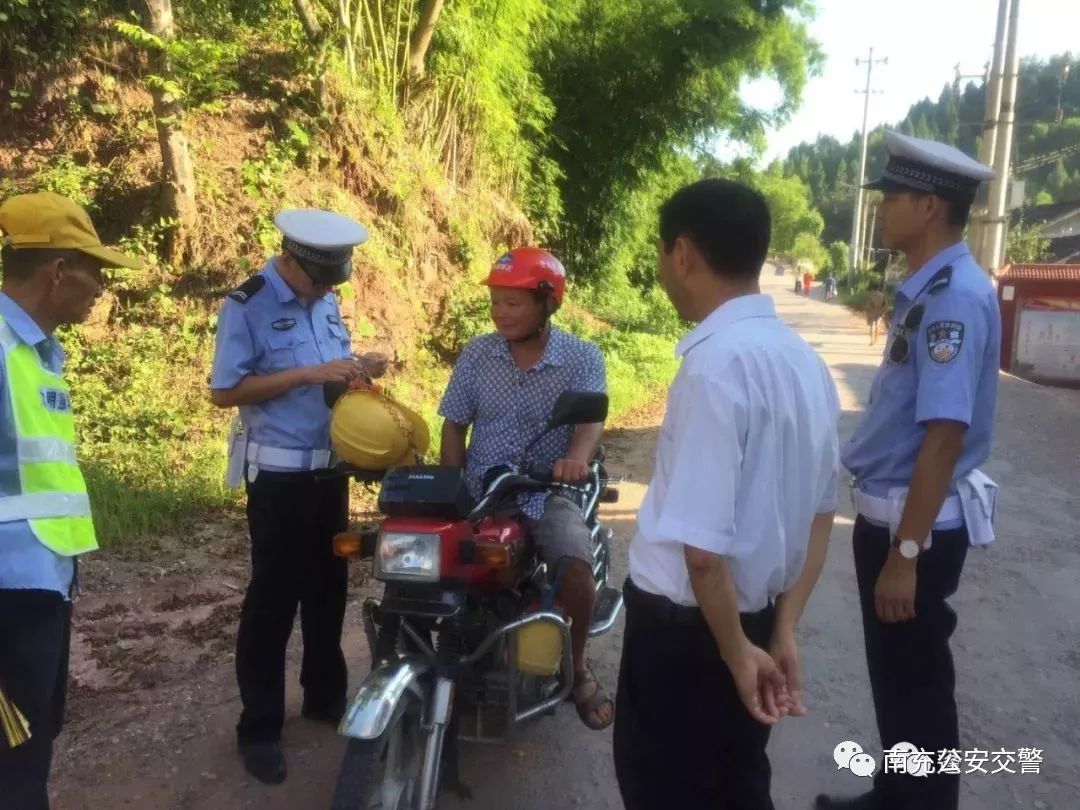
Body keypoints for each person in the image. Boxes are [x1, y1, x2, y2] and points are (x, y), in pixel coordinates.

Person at [612, 178, 841, 810]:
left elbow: (703, 553)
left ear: (682, 253)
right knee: (738, 783)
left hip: (690, 641)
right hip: (757, 623)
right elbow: (821, 516)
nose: (662, 268)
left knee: (670, 788)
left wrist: (738, 653)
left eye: (662, 254)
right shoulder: (805, 362)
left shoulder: (714, 368)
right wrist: (781, 630)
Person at [815, 131, 1001, 810]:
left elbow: (943, 439)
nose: (881, 209)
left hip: (910, 524)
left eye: (892, 197)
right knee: (898, 680)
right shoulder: (933, 286)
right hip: (897, 517)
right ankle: (897, 794)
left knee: (916, 684)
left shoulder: (950, 299)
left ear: (929, 209)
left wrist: (907, 553)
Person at [209, 209, 387, 785]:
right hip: (280, 477)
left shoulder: (326, 301)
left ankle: (324, 698)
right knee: (273, 601)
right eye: (319, 280)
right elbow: (224, 391)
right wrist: (308, 374)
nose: (326, 291)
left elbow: (328, 378)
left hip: (329, 473)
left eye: (334, 283)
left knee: (328, 590)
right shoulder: (248, 303)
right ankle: (259, 727)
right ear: (291, 259)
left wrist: (356, 370)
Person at [0, 191, 141, 809]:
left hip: (41, 580)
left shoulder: (34, 351)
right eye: (96, 270)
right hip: (8, 593)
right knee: (15, 765)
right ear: (58, 270)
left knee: (31, 745)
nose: (101, 287)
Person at [438, 247, 613, 730]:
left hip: (545, 489)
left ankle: (577, 666)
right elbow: (453, 424)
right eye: (495, 302)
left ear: (546, 303)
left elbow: (591, 420)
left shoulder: (580, 357)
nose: (500, 313)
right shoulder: (477, 354)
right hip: (482, 491)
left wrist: (575, 459)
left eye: (513, 303)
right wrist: (452, 488)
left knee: (575, 567)